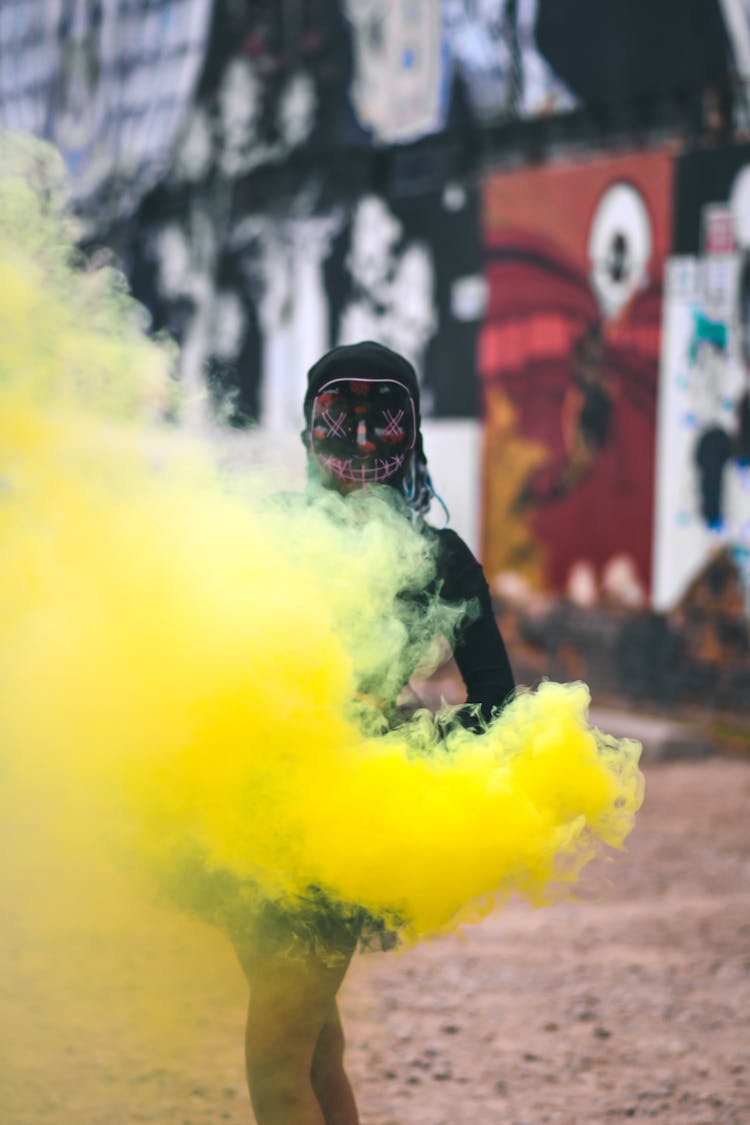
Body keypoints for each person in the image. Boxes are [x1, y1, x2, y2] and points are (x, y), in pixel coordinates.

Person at [232, 340, 515, 1124]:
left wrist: (399, 749)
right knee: (315, 1048)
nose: (360, 443)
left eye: (382, 420)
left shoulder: (438, 558)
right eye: (339, 417)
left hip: (340, 827)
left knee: (274, 1059)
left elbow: (496, 701)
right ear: (307, 431)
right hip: (246, 816)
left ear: (411, 436)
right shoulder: (268, 534)